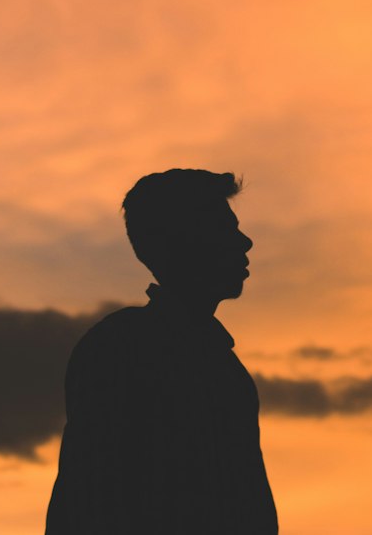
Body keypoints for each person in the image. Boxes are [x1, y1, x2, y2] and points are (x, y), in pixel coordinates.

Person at [44, 168, 278, 533]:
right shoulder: (121, 350)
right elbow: (86, 497)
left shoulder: (224, 366)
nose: (245, 242)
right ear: (186, 241)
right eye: (226, 229)